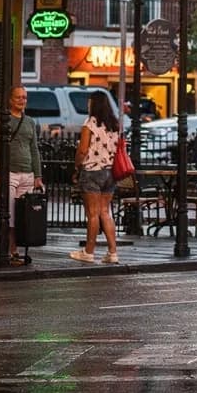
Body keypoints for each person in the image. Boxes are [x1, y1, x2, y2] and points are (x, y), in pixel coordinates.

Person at [0, 86, 43, 264]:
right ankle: (5, 250)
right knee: (7, 214)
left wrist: (37, 175)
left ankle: (15, 250)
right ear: (11, 100)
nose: (22, 100)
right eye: (18, 97)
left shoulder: (30, 122)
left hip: (27, 174)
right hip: (8, 172)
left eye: (24, 98)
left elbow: (34, 149)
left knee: (21, 216)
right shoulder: (2, 119)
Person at [72, 91, 123, 264]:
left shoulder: (90, 124)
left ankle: (89, 252)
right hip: (110, 173)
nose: (88, 105)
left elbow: (83, 150)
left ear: (93, 104)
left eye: (89, 102)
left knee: (93, 214)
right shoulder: (114, 125)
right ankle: (112, 252)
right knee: (105, 212)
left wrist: (76, 165)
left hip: (92, 171)